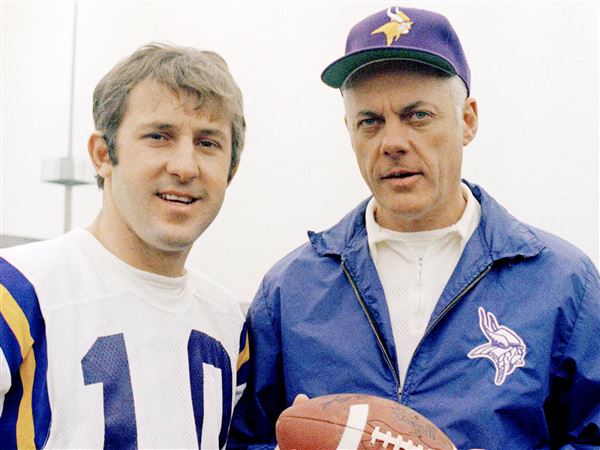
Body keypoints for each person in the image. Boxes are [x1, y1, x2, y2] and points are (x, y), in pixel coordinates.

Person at [228, 6, 600, 450]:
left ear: (467, 120)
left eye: (417, 115)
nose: (393, 143)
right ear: (348, 129)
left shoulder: (562, 283)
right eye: (370, 121)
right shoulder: (290, 292)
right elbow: (244, 438)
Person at [0, 43, 249, 449]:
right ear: (103, 154)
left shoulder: (230, 324)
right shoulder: (19, 290)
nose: (185, 166)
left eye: (207, 143)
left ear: (231, 169)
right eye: (159, 136)